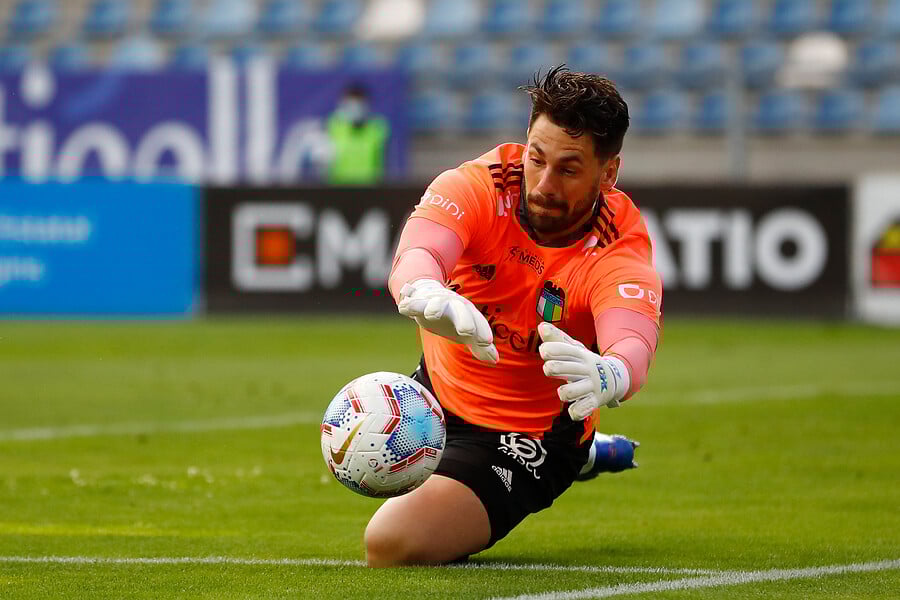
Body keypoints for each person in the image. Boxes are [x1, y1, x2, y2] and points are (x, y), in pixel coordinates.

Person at [365, 67, 662, 567]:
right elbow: (419, 252)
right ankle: (594, 453)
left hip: (527, 437)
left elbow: (632, 340)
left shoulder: (616, 248)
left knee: (390, 544)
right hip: (435, 397)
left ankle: (578, 452)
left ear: (608, 174)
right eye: (536, 158)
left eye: (568, 170)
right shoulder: (479, 185)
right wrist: (422, 288)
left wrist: (612, 373)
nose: (543, 184)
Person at [325, 84, 390, 185]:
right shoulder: (333, 127)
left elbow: (383, 164)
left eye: (359, 104)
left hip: (369, 187)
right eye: (351, 104)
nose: (355, 109)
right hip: (338, 187)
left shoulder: (378, 129)